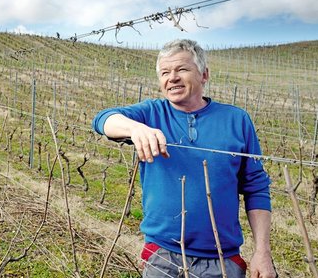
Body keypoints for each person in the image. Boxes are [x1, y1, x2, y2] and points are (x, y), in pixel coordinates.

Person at [92, 39, 276, 278]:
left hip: (221, 259)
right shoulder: (151, 113)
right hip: (162, 256)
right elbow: (102, 120)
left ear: (204, 75)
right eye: (165, 72)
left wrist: (262, 251)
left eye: (182, 69)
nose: (173, 78)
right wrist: (135, 128)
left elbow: (257, 188)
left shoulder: (236, 120)